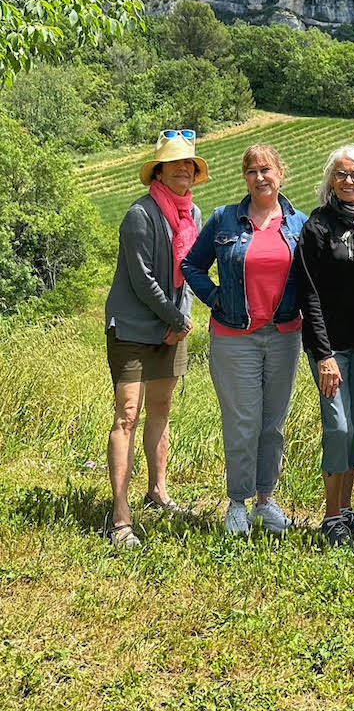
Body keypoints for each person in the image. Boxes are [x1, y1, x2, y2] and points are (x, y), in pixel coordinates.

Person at [182, 144, 308, 536]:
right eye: (252, 171)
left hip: (285, 334)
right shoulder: (224, 220)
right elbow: (191, 264)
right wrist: (217, 297)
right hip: (235, 336)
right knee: (242, 422)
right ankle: (237, 502)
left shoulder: (299, 224)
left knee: (273, 423)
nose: (259, 177)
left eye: (266, 169)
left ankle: (266, 501)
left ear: (280, 173)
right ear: (245, 177)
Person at [103, 130, 205, 547]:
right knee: (127, 415)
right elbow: (142, 279)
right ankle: (120, 515)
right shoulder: (140, 215)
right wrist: (176, 318)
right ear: (158, 171)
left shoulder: (193, 215)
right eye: (176, 163)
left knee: (161, 408)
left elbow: (191, 273)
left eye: (191, 164)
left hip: (171, 326)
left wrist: (182, 319)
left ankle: (157, 491)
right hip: (132, 327)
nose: (185, 169)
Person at [294, 145, 354, 546]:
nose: (349, 181)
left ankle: (346, 510)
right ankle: (330, 518)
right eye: (342, 174)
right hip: (331, 348)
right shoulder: (317, 227)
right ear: (331, 179)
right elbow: (309, 293)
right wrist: (323, 354)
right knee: (338, 427)